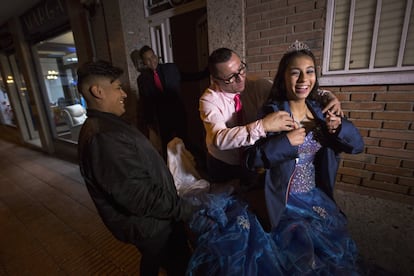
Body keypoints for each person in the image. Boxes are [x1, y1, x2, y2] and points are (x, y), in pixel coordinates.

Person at [243, 41, 365, 274]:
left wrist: (338, 129)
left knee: (329, 253)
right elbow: (250, 160)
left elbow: (357, 146)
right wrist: (284, 143)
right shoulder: (271, 114)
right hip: (284, 201)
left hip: (315, 196)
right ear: (283, 78)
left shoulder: (323, 111)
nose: (303, 80)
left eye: (309, 71)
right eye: (295, 73)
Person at [76, 60, 198, 276]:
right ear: (98, 91)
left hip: (155, 221)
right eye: (117, 88)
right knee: (180, 266)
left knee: (155, 261)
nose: (124, 94)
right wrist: (184, 210)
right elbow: (137, 195)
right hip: (152, 225)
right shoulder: (105, 137)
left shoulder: (110, 125)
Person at [199, 47, 343, 188]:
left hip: (252, 158)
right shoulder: (208, 100)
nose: (240, 78)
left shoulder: (257, 84)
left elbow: (290, 91)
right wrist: (263, 126)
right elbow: (218, 138)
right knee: (221, 205)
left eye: (241, 69)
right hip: (223, 163)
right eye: (231, 77)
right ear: (216, 80)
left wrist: (326, 95)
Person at [136, 45, 194, 160]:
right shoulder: (142, 79)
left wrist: (206, 72)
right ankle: (171, 170)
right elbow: (145, 101)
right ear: (144, 62)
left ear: (156, 57)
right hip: (162, 118)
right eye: (147, 59)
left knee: (184, 142)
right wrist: (149, 124)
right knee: (167, 145)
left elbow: (187, 77)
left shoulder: (170, 68)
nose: (151, 61)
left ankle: (188, 168)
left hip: (178, 113)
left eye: (152, 57)